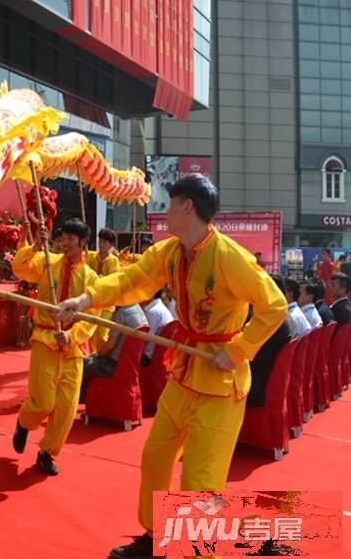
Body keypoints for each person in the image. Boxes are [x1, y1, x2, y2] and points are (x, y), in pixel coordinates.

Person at [58, 174, 287, 559]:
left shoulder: (231, 257)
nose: (164, 212)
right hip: (183, 373)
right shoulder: (170, 252)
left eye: (170, 204)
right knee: (156, 457)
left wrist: (238, 349)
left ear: (187, 207)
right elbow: (134, 279)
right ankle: (155, 536)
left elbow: (275, 306)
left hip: (220, 382)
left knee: (201, 480)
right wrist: (86, 299)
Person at [10, 218, 99, 476]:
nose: (65, 243)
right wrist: (37, 245)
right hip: (45, 340)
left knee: (66, 409)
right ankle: (24, 422)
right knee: (44, 401)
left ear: (83, 243)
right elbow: (20, 268)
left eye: (71, 239)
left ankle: (47, 453)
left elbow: (95, 315)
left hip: (72, 348)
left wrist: (72, 336)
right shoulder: (48, 264)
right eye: (63, 239)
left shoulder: (91, 279)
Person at [80, 303, 148, 401]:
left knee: (81, 364)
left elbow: (109, 347)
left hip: (113, 366)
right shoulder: (140, 311)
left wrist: (95, 355)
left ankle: (84, 405)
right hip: (129, 366)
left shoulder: (122, 313)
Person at [247, 275, 296, 408]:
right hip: (273, 379)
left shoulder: (271, 321)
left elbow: (250, 355)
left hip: (260, 383)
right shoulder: (284, 316)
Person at [87, 227, 121, 354]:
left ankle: (102, 357)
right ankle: (91, 356)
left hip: (106, 304)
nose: (101, 244)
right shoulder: (90, 256)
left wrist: (98, 279)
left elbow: (113, 280)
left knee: (101, 334)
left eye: (105, 242)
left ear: (111, 245)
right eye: (100, 241)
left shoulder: (114, 261)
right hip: (92, 302)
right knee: (89, 333)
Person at [140, 290, 174, 366]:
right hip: (158, 357)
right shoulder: (160, 308)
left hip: (147, 358)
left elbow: (145, 339)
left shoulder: (153, 311)